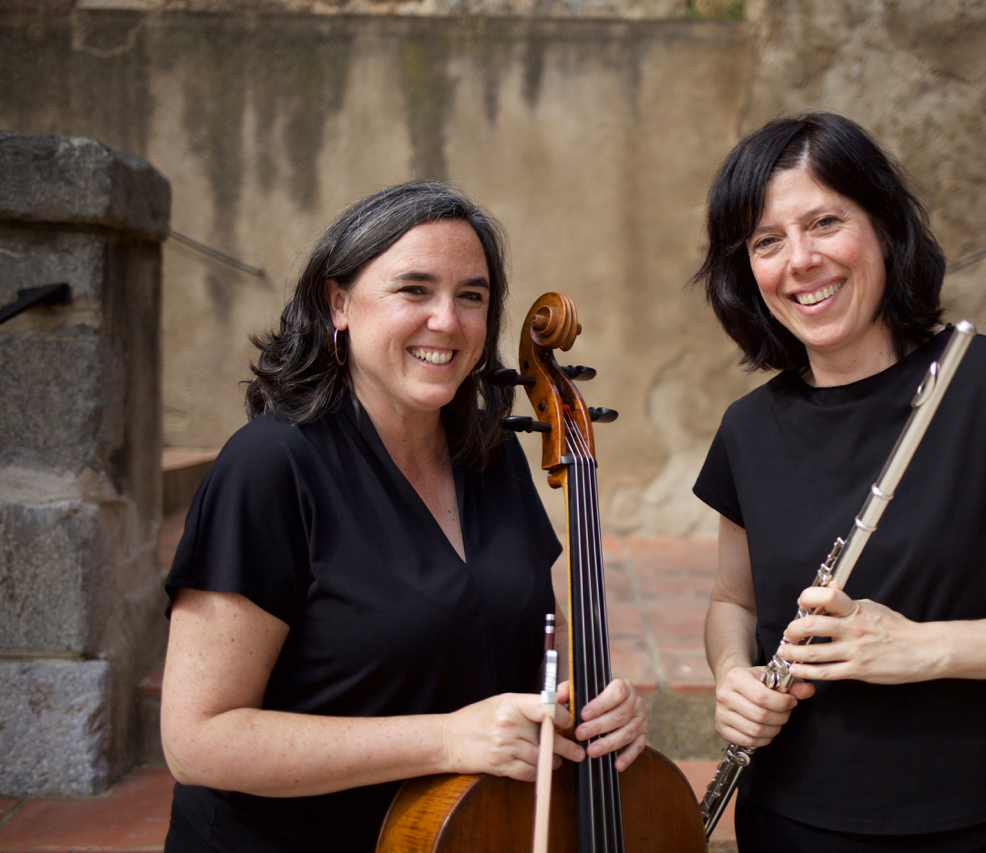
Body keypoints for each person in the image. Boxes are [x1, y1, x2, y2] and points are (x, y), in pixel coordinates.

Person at [691, 113, 986, 853]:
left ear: (883, 226)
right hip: (786, 816)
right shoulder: (749, 427)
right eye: (766, 241)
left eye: (824, 222)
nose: (800, 260)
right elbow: (732, 600)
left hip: (967, 820)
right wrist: (731, 676)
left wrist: (919, 647)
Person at [160, 181, 647, 853]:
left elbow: (537, 632)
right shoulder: (270, 465)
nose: (446, 320)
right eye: (414, 290)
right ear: (339, 304)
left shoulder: (492, 452)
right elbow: (198, 740)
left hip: (465, 835)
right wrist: (445, 737)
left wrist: (585, 701)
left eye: (470, 296)